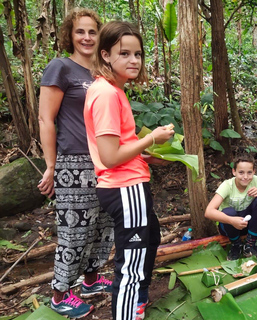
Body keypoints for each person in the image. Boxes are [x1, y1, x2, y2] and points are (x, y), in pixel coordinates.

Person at [83, 21, 174, 320]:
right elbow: (109, 157)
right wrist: (152, 138)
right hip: (124, 187)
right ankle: (127, 311)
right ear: (106, 55)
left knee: (150, 240)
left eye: (138, 54)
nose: (134, 60)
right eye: (125, 53)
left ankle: (139, 301)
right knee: (131, 264)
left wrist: (146, 155)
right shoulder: (107, 94)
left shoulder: (110, 90)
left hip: (127, 181)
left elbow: (116, 148)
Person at [37, 8, 114, 319]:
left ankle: (92, 280)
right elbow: (46, 118)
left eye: (92, 32)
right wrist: (52, 166)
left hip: (105, 160)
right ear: (69, 34)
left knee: (103, 226)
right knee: (75, 231)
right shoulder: (61, 67)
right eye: (80, 31)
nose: (86, 37)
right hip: (75, 163)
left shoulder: (100, 72)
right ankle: (60, 294)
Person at [205, 154, 257, 261]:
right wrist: (231, 220)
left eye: (249, 172)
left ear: (254, 172)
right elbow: (208, 212)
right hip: (229, 226)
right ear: (234, 172)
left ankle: (250, 244)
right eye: (241, 172)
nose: (245, 177)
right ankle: (236, 245)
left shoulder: (256, 181)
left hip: (247, 225)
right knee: (228, 211)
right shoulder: (227, 185)